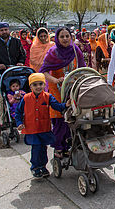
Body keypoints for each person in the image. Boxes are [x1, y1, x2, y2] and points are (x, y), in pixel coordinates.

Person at [39, 27, 85, 158]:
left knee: (73, 118)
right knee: (60, 121)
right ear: (57, 39)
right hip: (57, 90)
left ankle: (71, 145)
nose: (65, 39)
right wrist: (55, 80)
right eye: (62, 37)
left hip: (73, 89)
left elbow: (82, 67)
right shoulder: (53, 52)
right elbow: (44, 71)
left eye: (67, 36)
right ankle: (59, 148)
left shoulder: (75, 50)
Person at [15, 73, 67, 178]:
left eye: (40, 84)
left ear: (44, 85)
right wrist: (19, 123)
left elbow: (57, 106)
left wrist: (66, 105)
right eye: (35, 85)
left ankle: (43, 167)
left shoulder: (48, 97)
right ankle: (35, 167)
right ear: (30, 87)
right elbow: (18, 112)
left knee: (43, 148)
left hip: (44, 128)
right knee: (36, 148)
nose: (38, 87)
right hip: (32, 129)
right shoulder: (25, 98)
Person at [0, 22, 26, 118]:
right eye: (1, 30)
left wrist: (20, 62)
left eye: (6, 30)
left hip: (15, 73)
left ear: (9, 30)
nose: (4, 32)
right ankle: (4, 117)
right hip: (0, 73)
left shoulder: (16, 42)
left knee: (21, 94)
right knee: (2, 97)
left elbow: (22, 54)